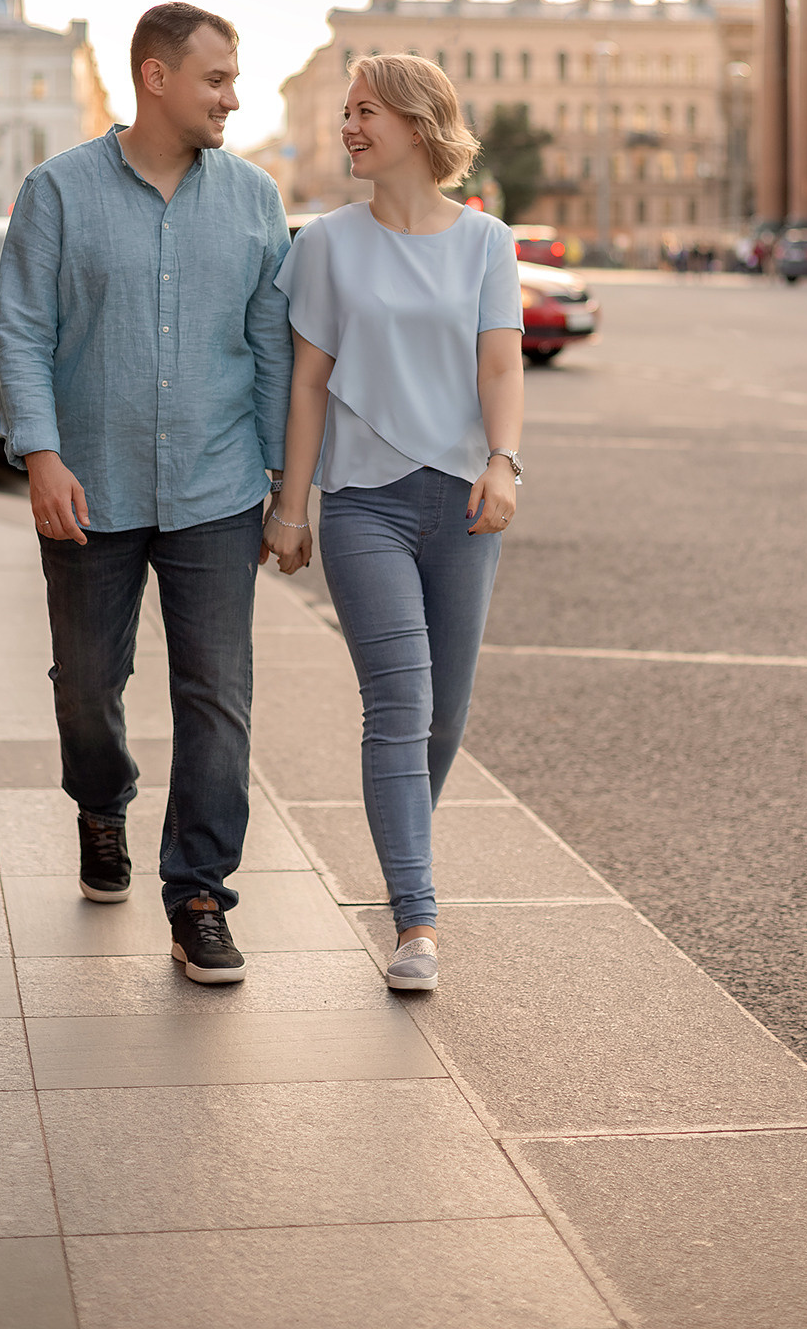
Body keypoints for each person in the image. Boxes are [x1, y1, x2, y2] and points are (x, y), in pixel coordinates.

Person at [0, 1, 293, 986]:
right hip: (90, 483)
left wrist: (286, 483)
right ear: (156, 78)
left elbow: (270, 353)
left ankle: (198, 894)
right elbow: (23, 331)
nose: (232, 97)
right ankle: (101, 800)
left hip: (215, 487)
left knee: (218, 697)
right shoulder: (59, 193)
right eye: (216, 79)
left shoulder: (253, 199)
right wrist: (39, 452)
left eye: (235, 79)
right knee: (86, 687)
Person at [268, 53, 524, 992]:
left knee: (443, 720)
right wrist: (290, 508)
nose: (347, 127)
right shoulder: (328, 243)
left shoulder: (487, 242)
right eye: (344, 112)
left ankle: (400, 844)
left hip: (461, 503)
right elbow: (307, 383)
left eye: (363, 111)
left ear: (417, 123)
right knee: (400, 704)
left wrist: (504, 461)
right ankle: (415, 920)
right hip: (364, 504)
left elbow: (500, 367)